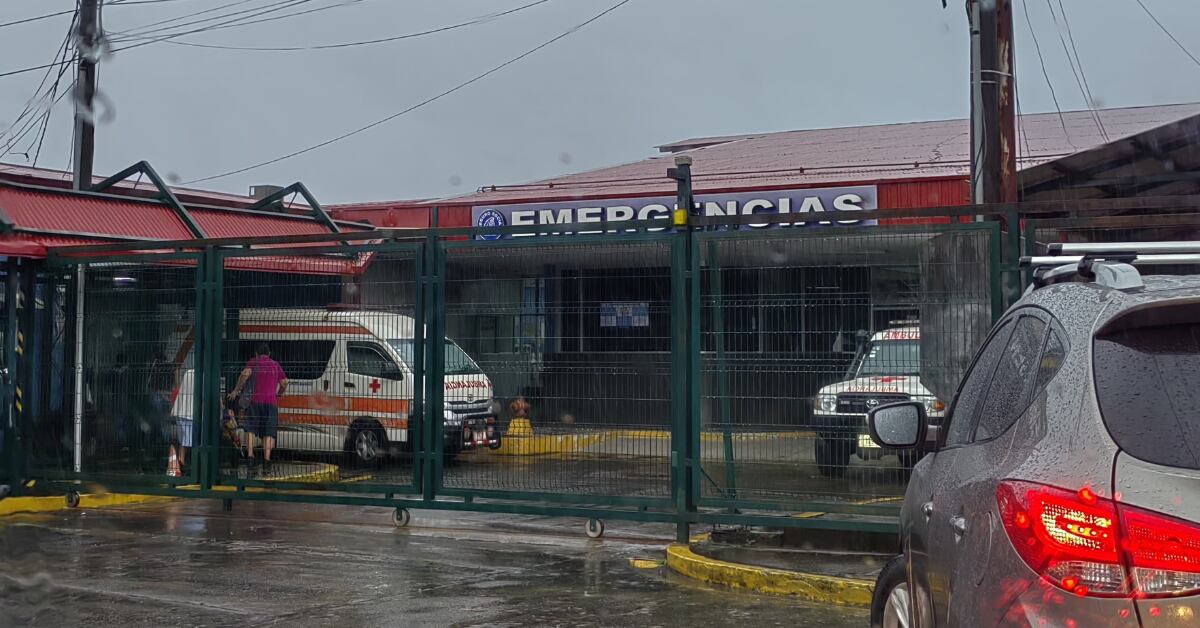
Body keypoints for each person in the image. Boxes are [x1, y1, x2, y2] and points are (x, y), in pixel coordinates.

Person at [228, 343, 287, 476]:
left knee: (250, 429)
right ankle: (266, 461)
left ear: (256, 353)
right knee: (268, 432)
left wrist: (236, 390)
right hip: (271, 402)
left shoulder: (253, 362)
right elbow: (284, 382)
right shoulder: (275, 364)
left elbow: (245, 374)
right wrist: (279, 394)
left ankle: (250, 457)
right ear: (269, 353)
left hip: (255, 401)